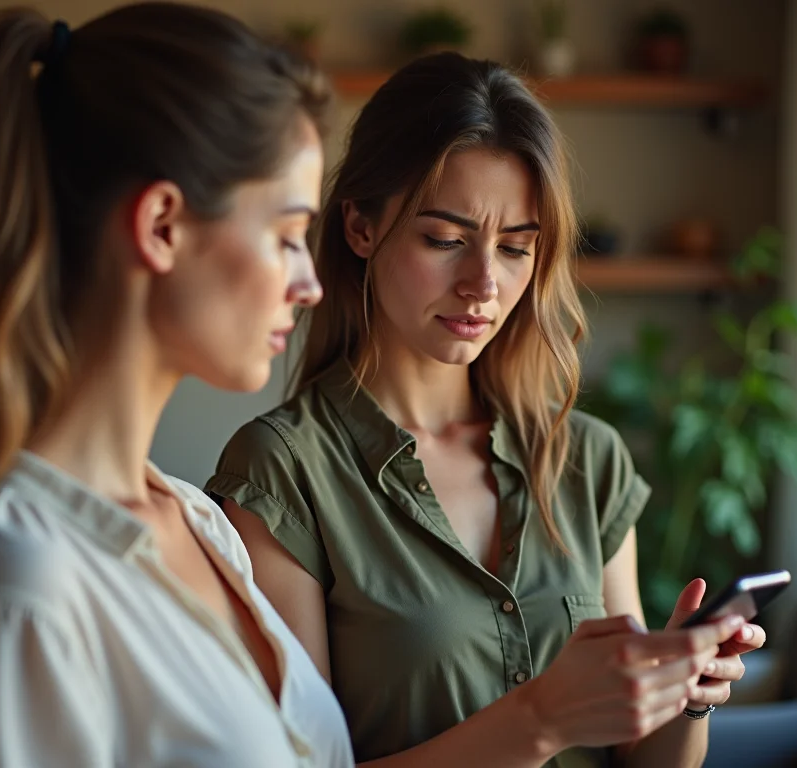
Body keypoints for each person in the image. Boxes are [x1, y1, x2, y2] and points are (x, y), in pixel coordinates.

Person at [206, 53, 765, 768]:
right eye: (445, 240)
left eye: (514, 249)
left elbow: (642, 761)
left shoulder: (585, 459)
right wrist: (539, 720)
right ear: (360, 228)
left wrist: (686, 693)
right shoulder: (283, 471)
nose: (483, 285)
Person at [0, 4, 352, 766]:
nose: (309, 282)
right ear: (161, 227)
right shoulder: (18, 587)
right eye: (286, 237)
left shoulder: (201, 524)